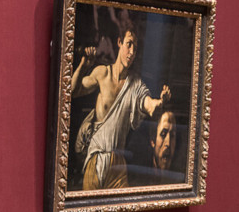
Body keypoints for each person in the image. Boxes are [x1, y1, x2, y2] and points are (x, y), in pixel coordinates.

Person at [73, 21, 171, 190]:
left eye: (135, 48)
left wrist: (161, 101)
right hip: (96, 159)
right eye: (129, 45)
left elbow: (150, 106)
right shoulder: (102, 73)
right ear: (119, 42)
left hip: (118, 164)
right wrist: (84, 65)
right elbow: (72, 91)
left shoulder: (135, 85)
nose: (131, 52)